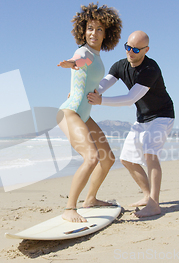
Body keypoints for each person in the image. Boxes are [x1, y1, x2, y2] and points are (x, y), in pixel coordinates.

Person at [87, 30, 175, 218]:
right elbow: (102, 85)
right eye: (128, 47)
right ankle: (146, 195)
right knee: (127, 159)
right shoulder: (120, 65)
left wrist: (100, 101)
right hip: (142, 118)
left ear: (146, 50)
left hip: (162, 116)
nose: (130, 52)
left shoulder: (150, 69)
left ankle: (154, 204)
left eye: (136, 49)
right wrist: (87, 92)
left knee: (150, 154)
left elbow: (130, 98)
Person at [56, 3, 122, 223]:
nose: (94, 33)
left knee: (108, 159)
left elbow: (88, 78)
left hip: (84, 114)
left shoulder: (97, 56)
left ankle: (91, 199)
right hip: (70, 112)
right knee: (92, 157)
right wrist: (72, 63)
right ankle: (69, 209)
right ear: (83, 31)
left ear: (107, 34)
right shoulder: (84, 53)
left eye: (99, 29)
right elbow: (81, 62)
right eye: (90, 28)